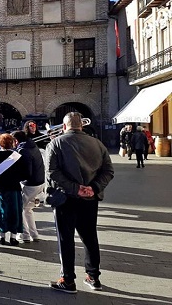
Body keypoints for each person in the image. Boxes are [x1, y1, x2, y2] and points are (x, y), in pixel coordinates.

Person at [46, 112, 114, 293]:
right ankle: (93, 277)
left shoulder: (56, 143)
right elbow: (108, 171)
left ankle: (68, 280)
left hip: (65, 199)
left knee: (65, 239)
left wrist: (75, 188)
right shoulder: (98, 144)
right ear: (81, 126)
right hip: (90, 199)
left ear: (64, 126)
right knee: (90, 238)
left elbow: (52, 173)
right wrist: (93, 187)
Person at [0, 133, 28, 246]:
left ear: (0, 144)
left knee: (0, 211)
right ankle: (13, 238)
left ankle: (1, 237)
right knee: (14, 212)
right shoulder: (18, 157)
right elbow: (24, 174)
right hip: (13, 188)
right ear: (12, 143)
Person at [11, 130, 45, 243]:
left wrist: (17, 178)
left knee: (18, 209)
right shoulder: (32, 145)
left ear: (16, 140)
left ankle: (24, 235)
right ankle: (34, 234)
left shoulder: (24, 150)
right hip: (39, 181)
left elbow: (27, 171)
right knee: (28, 209)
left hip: (30, 184)